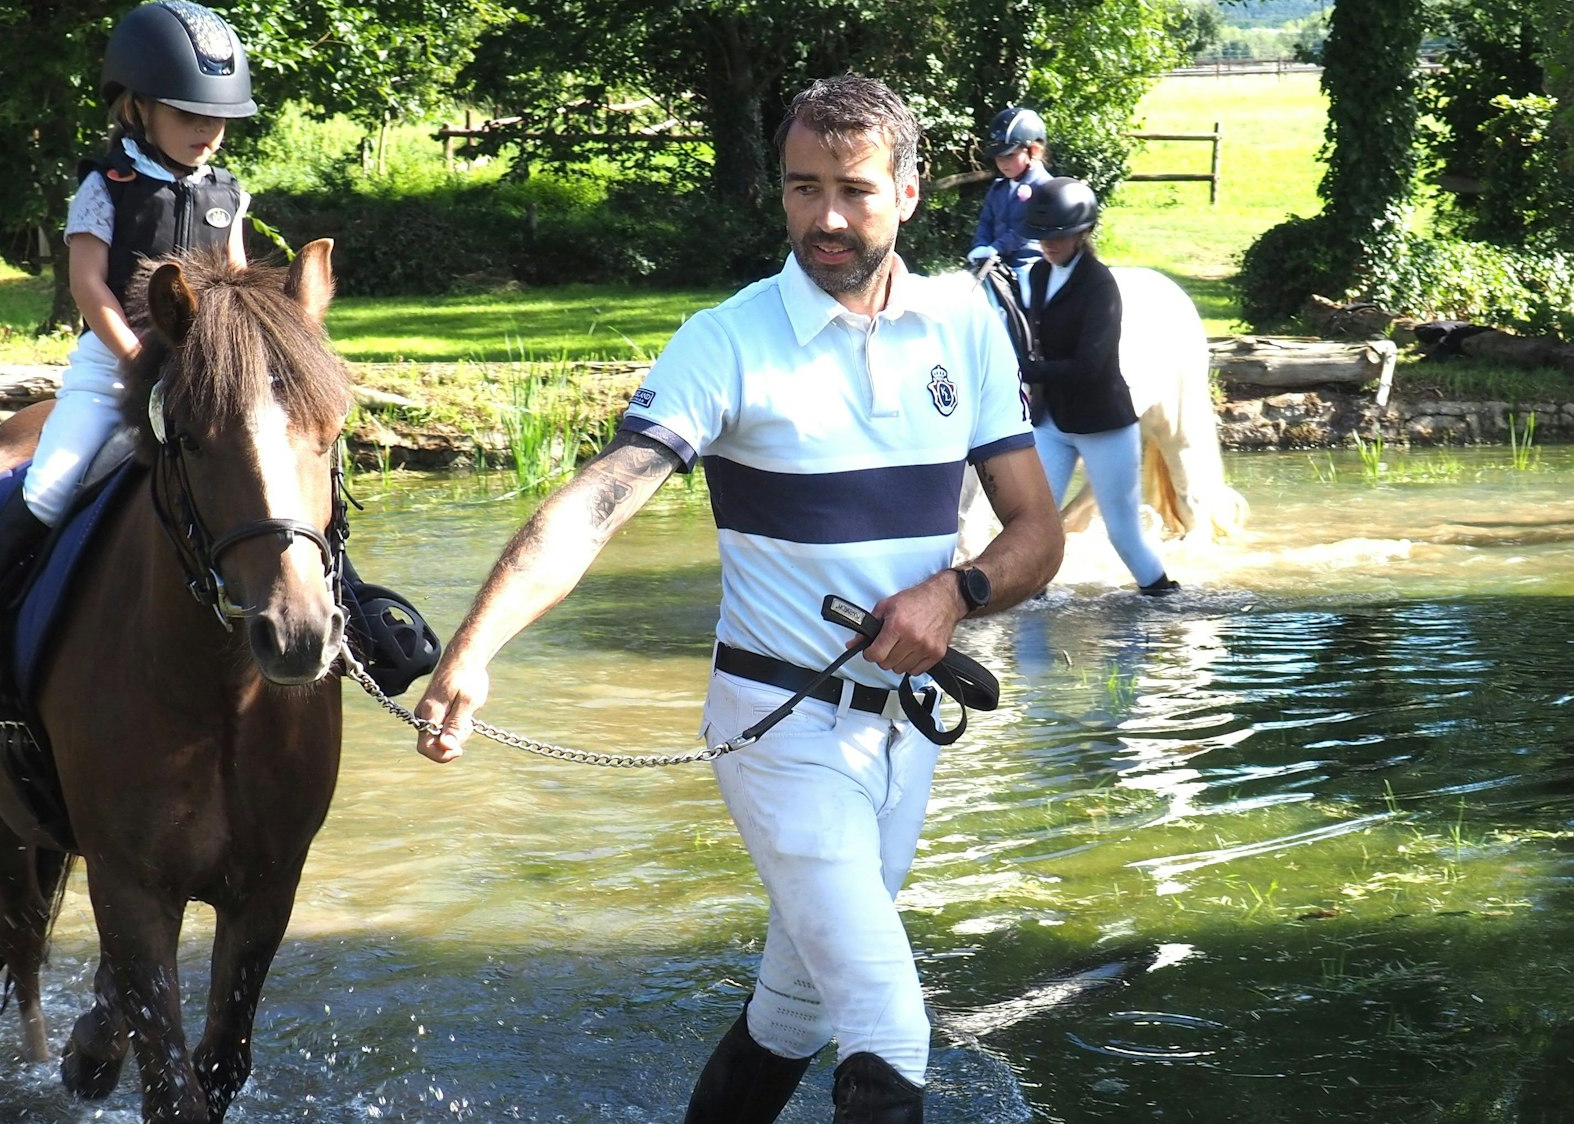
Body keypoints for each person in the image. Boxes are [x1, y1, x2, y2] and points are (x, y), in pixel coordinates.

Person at [412, 76, 1065, 1123]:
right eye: (803, 189)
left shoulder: (966, 326)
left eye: (853, 190)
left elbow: (1039, 531)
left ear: (910, 187)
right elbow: (596, 504)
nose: (827, 218)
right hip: (779, 730)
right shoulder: (728, 340)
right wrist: (476, 646)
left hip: (904, 736)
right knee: (890, 1028)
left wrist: (955, 589)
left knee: (797, 1007)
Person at [0, 0, 257, 727]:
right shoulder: (106, 186)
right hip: (111, 363)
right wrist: (137, 361)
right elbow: (89, 286)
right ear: (137, 106)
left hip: (202, 370)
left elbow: (239, 281)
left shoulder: (227, 194)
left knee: (267, 476)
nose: (207, 131)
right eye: (190, 114)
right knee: (53, 485)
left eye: (217, 118)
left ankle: (349, 611)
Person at [1016, 176, 1180, 596]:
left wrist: (1026, 371)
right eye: (1043, 237)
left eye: (1060, 236)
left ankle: (1163, 597)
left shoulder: (1100, 286)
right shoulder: (1036, 274)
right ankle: (1035, 599)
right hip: (1051, 420)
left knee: (1122, 533)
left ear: (1083, 233)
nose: (1049, 245)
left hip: (1102, 422)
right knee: (1032, 522)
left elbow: (1090, 365)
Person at [968, 106, 1052, 270]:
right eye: (999, 157)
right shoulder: (998, 188)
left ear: (1034, 151)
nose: (1003, 163)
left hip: (1028, 264)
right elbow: (986, 222)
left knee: (1029, 290)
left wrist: (995, 248)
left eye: (1010, 155)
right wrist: (980, 246)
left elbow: (1026, 229)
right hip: (994, 261)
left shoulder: (1045, 187)